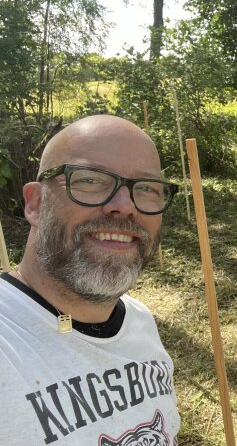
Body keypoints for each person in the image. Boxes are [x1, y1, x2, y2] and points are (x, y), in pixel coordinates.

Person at [0, 115, 181, 445]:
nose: (125, 206)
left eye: (146, 189)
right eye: (91, 180)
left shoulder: (138, 320)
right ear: (36, 203)